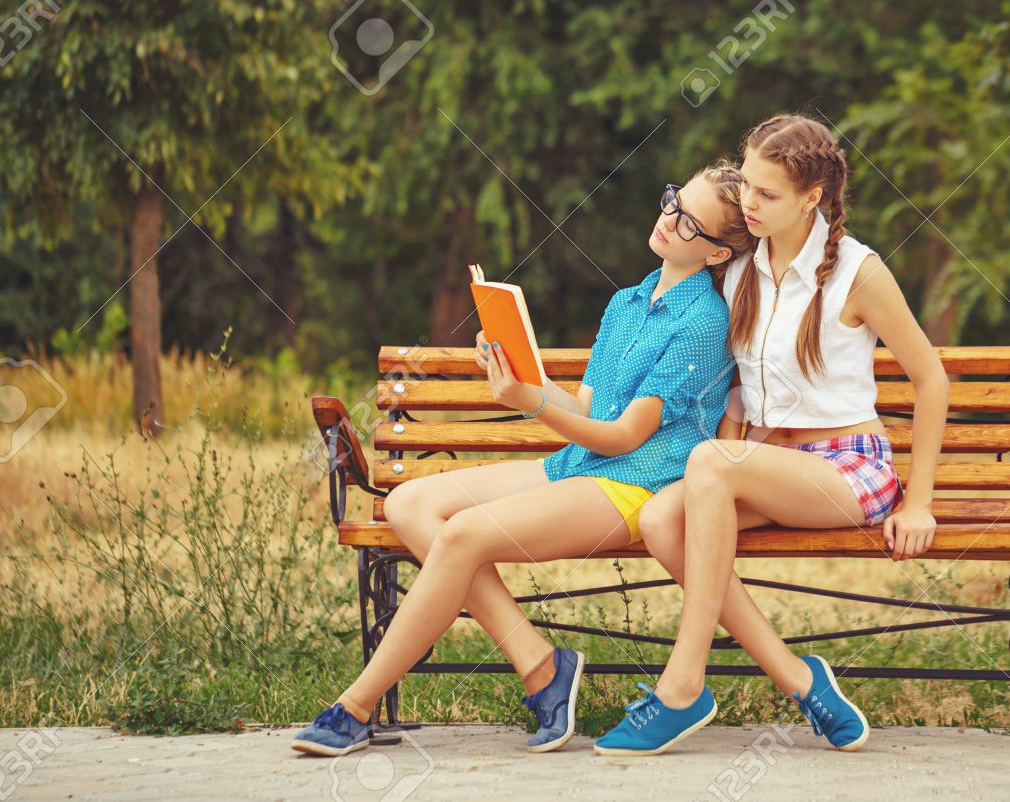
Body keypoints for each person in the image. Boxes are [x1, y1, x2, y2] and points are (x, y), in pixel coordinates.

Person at [293, 163, 756, 757]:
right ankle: (541, 667)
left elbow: (623, 437)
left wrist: (528, 401)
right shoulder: (627, 302)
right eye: (673, 201)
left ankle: (355, 707)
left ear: (718, 254)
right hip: (578, 465)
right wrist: (515, 373)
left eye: (690, 222)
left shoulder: (704, 322)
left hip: (635, 486)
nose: (669, 219)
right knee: (408, 504)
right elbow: (585, 406)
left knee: (461, 536)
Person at [594, 114, 948, 756]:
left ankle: (682, 685)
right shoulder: (739, 269)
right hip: (762, 463)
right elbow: (733, 388)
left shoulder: (858, 272)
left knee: (711, 464)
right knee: (662, 520)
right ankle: (799, 680)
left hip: (847, 468)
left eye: (767, 194)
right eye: (747, 186)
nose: (748, 203)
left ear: (812, 198)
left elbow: (931, 379)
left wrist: (918, 501)